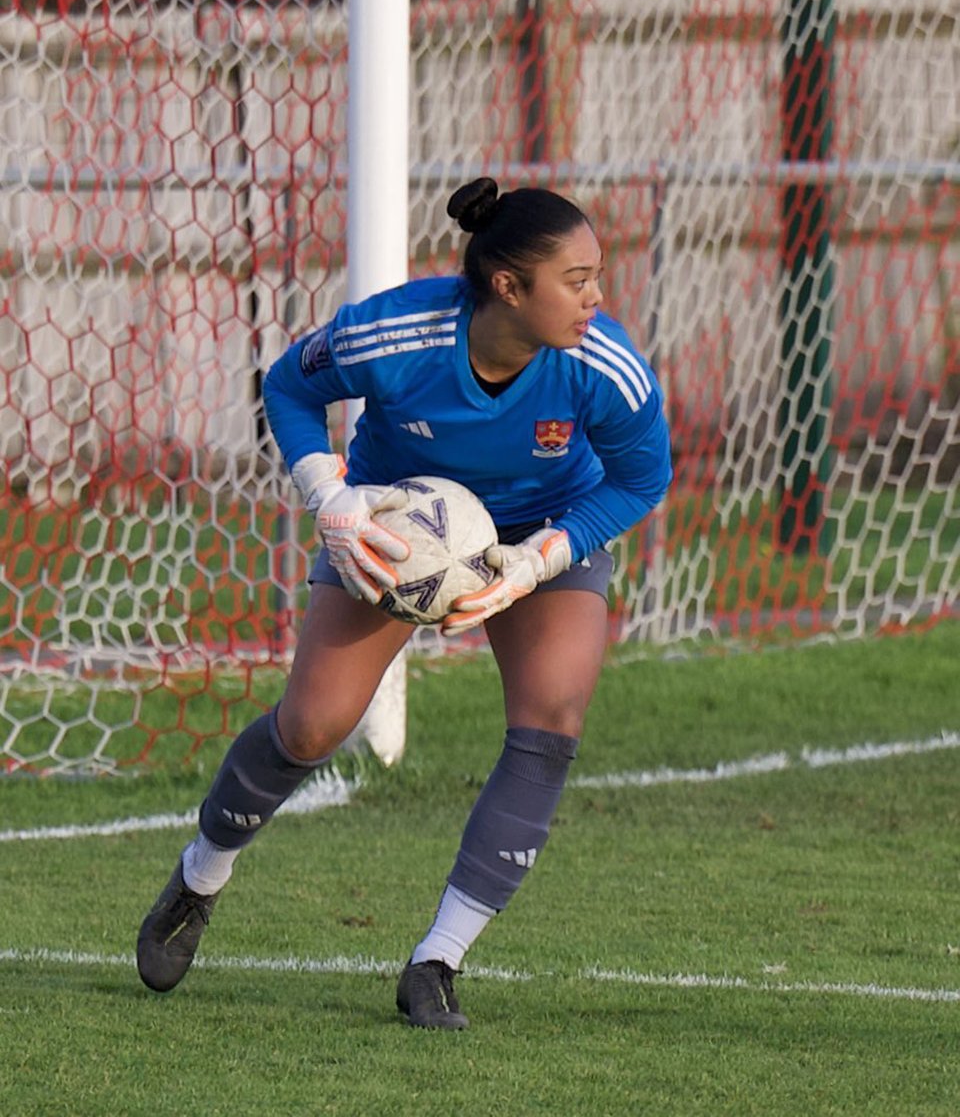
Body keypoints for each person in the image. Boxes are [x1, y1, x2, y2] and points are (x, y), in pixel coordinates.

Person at [136, 176, 673, 1029]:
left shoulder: (605, 367)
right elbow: (289, 387)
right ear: (507, 286)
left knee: (552, 720)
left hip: (543, 533)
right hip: (397, 524)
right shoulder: (395, 331)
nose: (596, 297)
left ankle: (436, 962)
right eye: (576, 279)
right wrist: (333, 500)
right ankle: (201, 875)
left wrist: (539, 562)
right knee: (314, 726)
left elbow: (644, 477)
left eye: (595, 275)